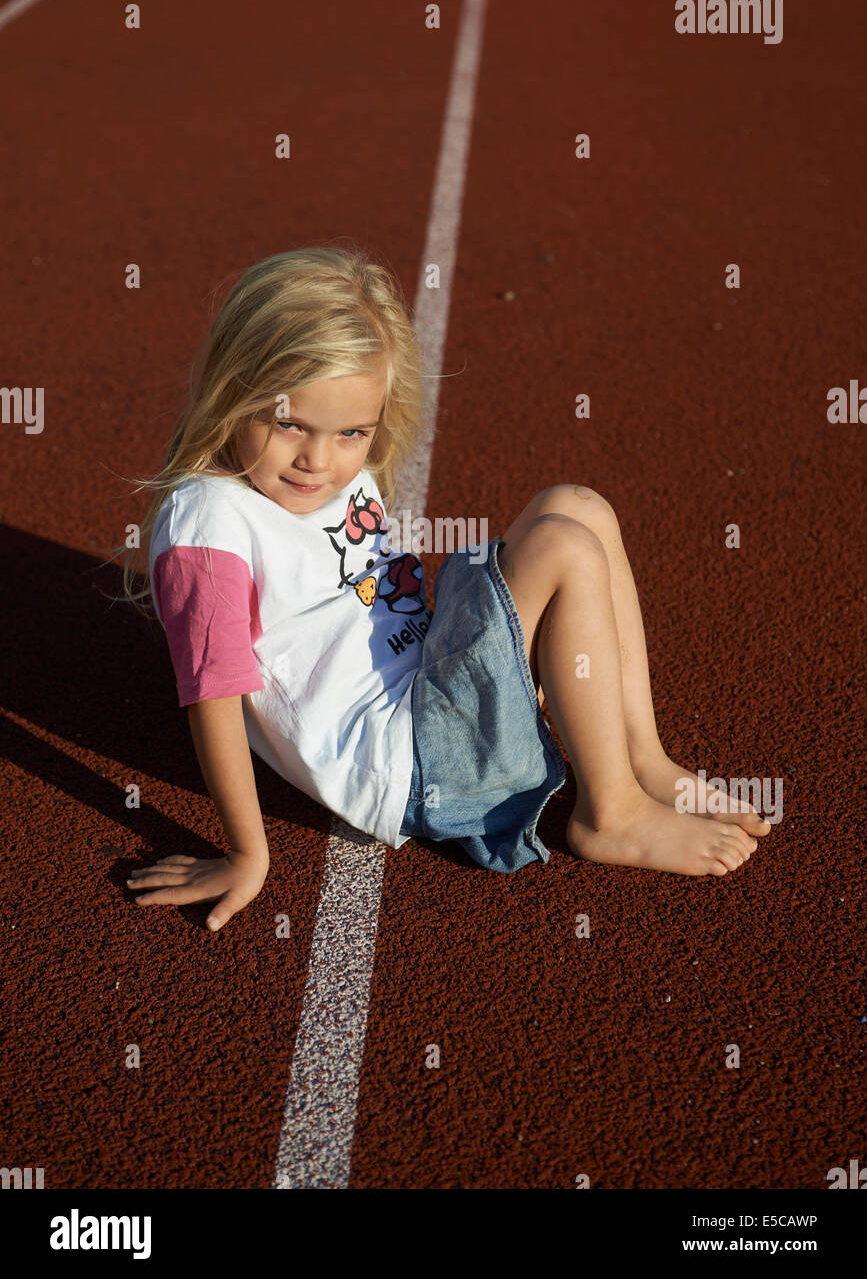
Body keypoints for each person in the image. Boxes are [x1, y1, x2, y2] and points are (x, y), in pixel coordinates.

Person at [121, 244, 770, 931]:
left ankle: (642, 758)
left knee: (577, 505)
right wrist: (246, 855)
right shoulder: (211, 523)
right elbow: (212, 695)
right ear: (233, 388)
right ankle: (607, 813)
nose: (318, 459)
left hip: (430, 690)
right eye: (288, 424)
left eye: (350, 433)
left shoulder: (330, 467)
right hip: (411, 764)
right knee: (561, 546)